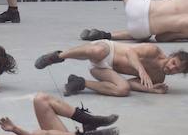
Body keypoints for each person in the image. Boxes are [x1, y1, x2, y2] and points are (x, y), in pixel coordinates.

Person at [34, 40, 188, 96]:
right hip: (109, 49)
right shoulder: (154, 51)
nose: (171, 68)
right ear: (172, 56)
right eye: (173, 63)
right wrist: (141, 70)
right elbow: (130, 52)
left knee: (123, 89)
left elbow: (132, 83)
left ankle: (80, 82)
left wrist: (152, 89)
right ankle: (58, 56)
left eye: (177, 70)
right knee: (96, 51)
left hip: (105, 69)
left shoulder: (159, 78)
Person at [72, 0, 188, 42]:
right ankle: (105, 35)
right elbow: (161, 37)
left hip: (141, 8)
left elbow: (168, 0)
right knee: (148, 33)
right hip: (139, 31)